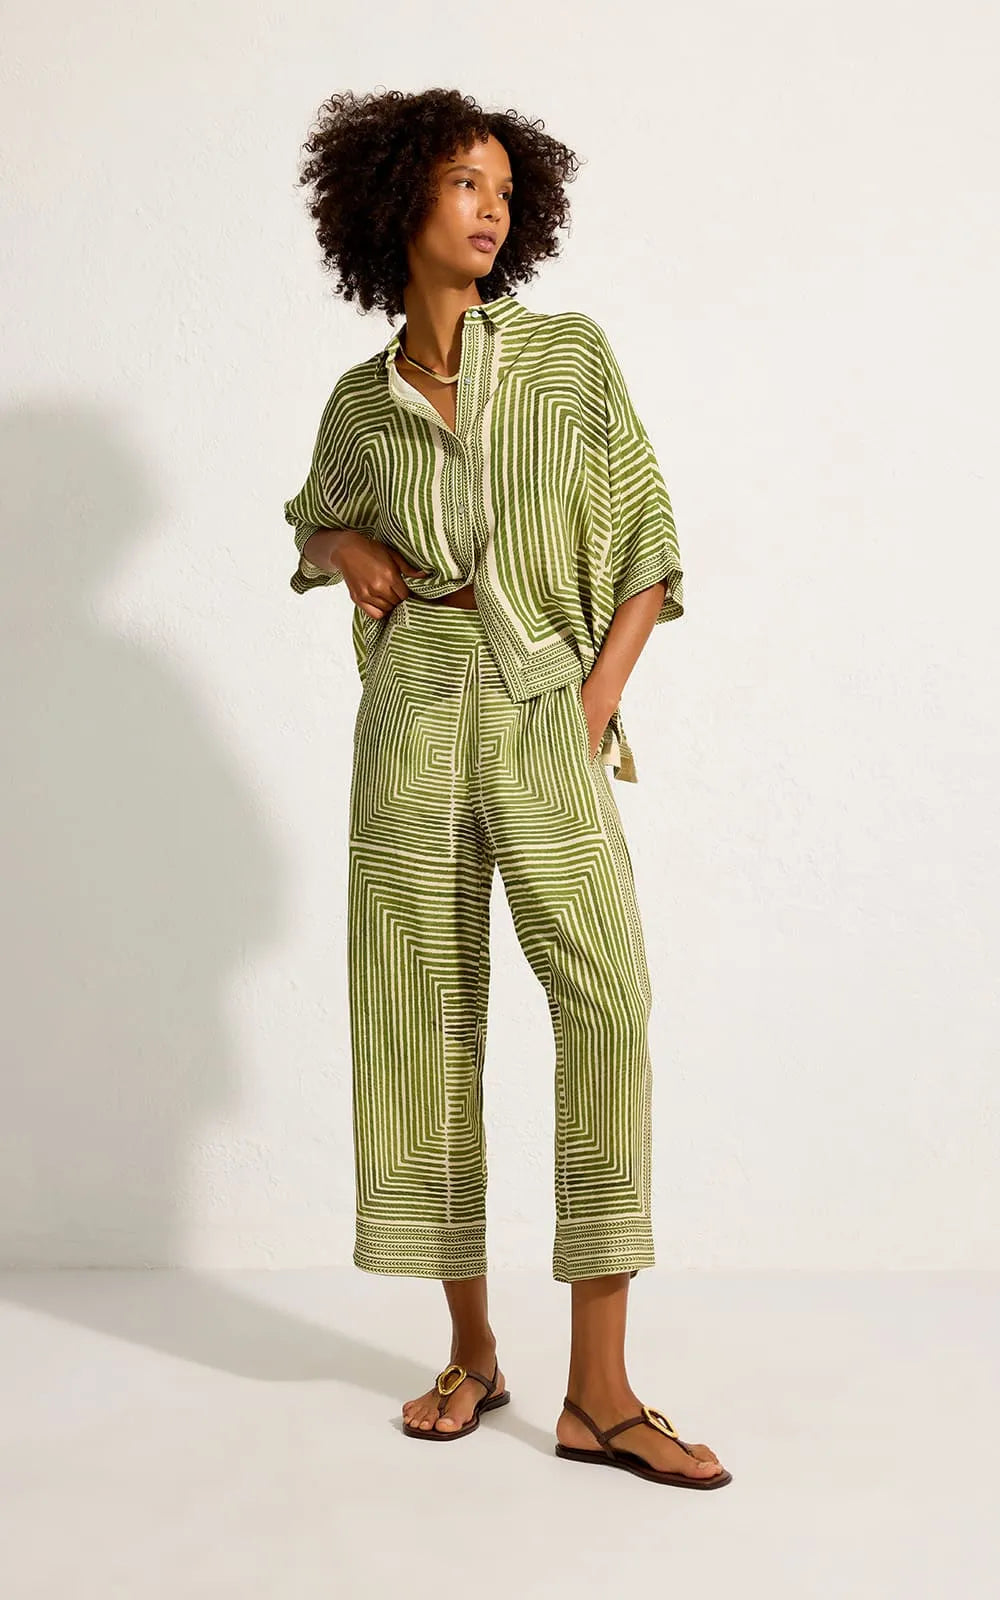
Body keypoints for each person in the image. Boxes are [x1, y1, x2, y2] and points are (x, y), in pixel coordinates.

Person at [283, 87, 730, 1490]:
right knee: (424, 1017)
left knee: (606, 998)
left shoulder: (563, 358)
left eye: (504, 189)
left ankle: (603, 1389)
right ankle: (472, 1353)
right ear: (397, 202)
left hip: (544, 700)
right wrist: (351, 549)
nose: (491, 209)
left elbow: (650, 539)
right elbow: (312, 519)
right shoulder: (359, 403)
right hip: (413, 715)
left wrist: (590, 704)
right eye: (464, 184)